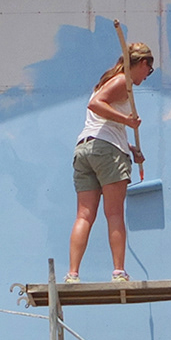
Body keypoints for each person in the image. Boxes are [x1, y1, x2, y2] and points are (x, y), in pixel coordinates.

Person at [67, 42, 154, 283]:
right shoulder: (121, 82)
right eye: (149, 70)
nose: (147, 76)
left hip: (86, 148)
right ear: (143, 63)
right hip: (106, 152)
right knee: (114, 213)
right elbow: (95, 106)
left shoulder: (106, 82)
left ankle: (73, 273)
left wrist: (130, 147)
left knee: (84, 216)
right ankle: (118, 271)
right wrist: (127, 120)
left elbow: (101, 124)